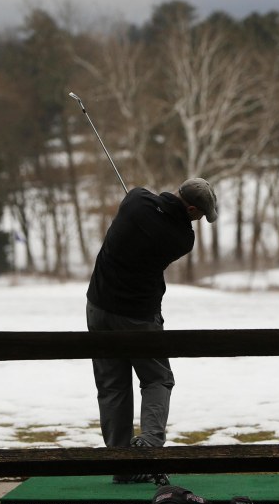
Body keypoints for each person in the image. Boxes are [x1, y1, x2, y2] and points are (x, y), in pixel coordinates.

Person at [86, 177, 218, 484]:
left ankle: (120, 463)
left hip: (99, 308)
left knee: (112, 385)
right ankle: (149, 449)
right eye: (199, 215)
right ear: (189, 208)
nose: (198, 221)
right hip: (139, 317)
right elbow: (167, 219)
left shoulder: (134, 201)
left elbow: (143, 196)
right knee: (158, 378)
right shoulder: (182, 238)